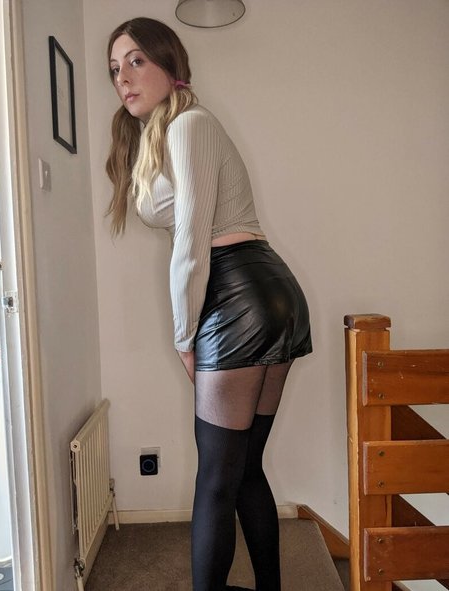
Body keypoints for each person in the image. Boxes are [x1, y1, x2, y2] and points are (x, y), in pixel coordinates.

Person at [106, 17, 312, 591]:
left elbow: (192, 245)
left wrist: (183, 335)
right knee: (243, 470)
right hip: (267, 292)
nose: (123, 77)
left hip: (236, 293)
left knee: (215, 481)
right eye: (115, 69)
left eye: (136, 60)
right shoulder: (168, 132)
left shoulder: (189, 124)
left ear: (170, 63)